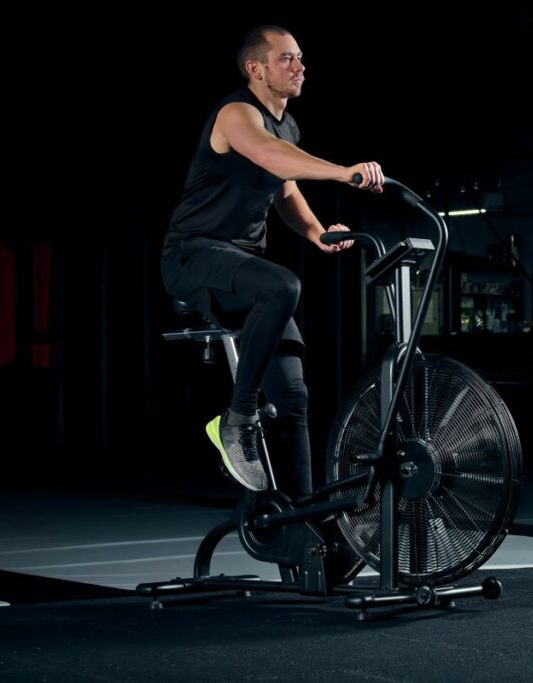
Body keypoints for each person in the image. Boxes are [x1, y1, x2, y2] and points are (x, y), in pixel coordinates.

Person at [160, 24, 383, 494]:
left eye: (300, 57)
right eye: (287, 58)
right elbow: (272, 157)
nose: (300, 66)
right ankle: (235, 421)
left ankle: (301, 530)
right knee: (282, 285)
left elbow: (284, 191)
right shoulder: (237, 114)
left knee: (295, 396)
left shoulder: (288, 126)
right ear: (256, 69)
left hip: (240, 267)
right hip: (193, 255)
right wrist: (346, 173)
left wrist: (318, 232)